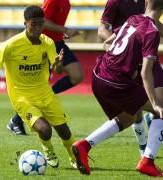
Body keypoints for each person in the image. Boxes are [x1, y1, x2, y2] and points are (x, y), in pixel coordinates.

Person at [72, 0, 163, 177]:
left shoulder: (133, 19)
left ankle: (84, 145)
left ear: (146, 4)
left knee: (128, 117)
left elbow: (110, 41)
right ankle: (147, 161)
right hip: (116, 82)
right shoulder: (152, 32)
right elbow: (146, 73)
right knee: (160, 111)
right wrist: (155, 104)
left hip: (99, 74)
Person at [0, 6, 77, 169]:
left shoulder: (47, 42)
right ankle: (48, 150)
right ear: (25, 23)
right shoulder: (12, 44)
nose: (37, 28)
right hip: (22, 97)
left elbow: (57, 70)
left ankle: (74, 157)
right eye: (33, 24)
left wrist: (58, 64)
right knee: (45, 130)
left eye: (41, 24)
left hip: (45, 94)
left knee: (65, 131)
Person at [7, 0, 83, 135]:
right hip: (44, 44)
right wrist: (64, 29)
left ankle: (46, 98)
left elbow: (53, 22)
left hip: (58, 43)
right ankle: (16, 120)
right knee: (38, 87)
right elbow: (43, 21)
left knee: (77, 76)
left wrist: (62, 33)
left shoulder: (66, 2)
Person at [98, 0, 151, 156]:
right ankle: (144, 149)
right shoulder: (115, 2)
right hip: (125, 63)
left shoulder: (147, 2)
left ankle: (147, 144)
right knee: (136, 109)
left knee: (152, 101)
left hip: (145, 58)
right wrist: (118, 48)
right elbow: (102, 30)